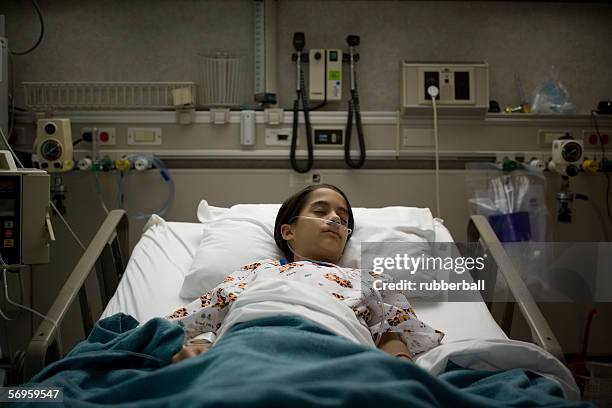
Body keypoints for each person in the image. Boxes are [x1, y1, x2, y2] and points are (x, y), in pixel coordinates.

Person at [168, 184, 443, 363]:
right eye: (321, 211)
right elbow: (199, 320)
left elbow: (390, 339)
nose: (335, 218)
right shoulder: (258, 272)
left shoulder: (369, 280)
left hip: (340, 353)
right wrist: (201, 347)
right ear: (288, 231)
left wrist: (403, 371)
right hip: (250, 346)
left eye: (343, 218)